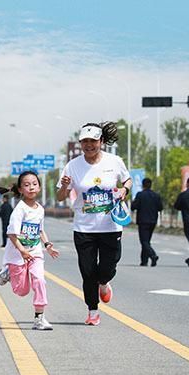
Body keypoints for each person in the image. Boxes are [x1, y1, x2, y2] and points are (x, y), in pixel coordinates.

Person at [56, 122, 132, 327]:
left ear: (102, 142)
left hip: (110, 226)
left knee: (107, 268)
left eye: (93, 141)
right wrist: (63, 187)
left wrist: (124, 190)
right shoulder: (72, 165)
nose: (89, 145)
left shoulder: (114, 161)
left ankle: (104, 283)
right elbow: (60, 196)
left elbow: (128, 180)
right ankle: (92, 310)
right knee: (87, 271)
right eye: (85, 141)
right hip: (84, 228)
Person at [0, 172, 60, 330]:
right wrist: (22, 251)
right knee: (22, 290)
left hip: (35, 253)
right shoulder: (19, 210)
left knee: (39, 280)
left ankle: (39, 318)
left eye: (34, 184)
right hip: (18, 255)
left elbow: (40, 230)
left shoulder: (40, 209)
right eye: (27, 184)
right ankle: (8, 272)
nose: (31, 187)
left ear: (39, 186)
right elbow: (11, 234)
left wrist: (48, 245)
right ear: (20, 189)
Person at [131, 178, 163, 266]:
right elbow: (160, 208)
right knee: (146, 241)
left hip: (143, 221)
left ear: (143, 185)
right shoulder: (156, 195)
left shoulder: (140, 195)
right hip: (153, 221)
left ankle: (153, 255)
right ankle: (144, 261)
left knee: (144, 241)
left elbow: (133, 207)